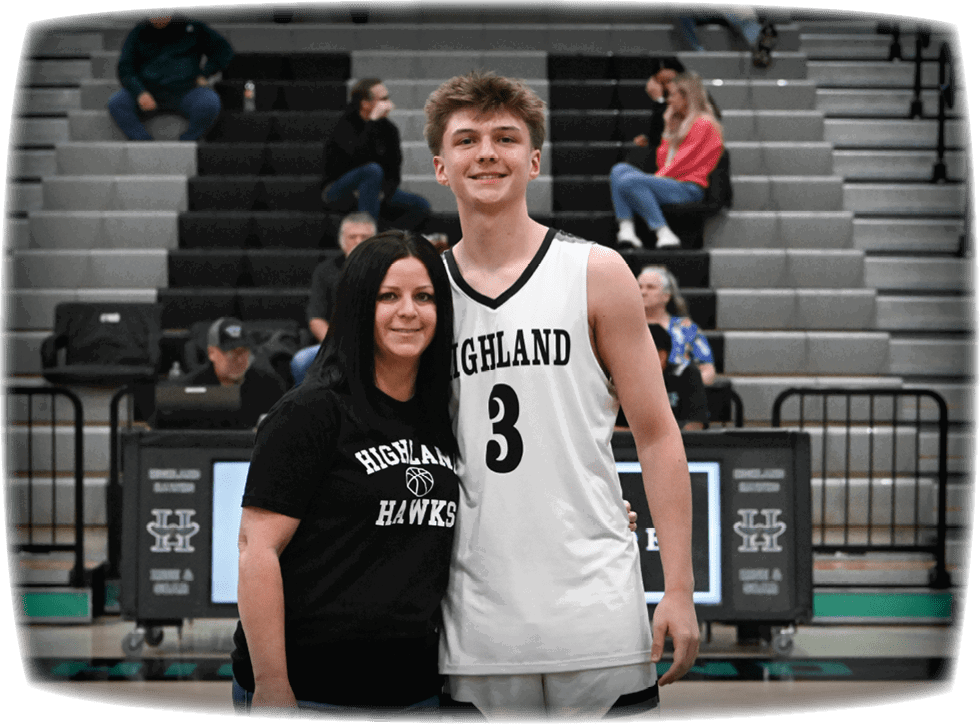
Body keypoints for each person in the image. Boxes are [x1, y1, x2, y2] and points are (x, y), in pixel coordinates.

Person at [425, 71, 699, 722]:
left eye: (506, 138)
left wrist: (680, 588)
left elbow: (658, 434)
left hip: (595, 605)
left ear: (535, 160)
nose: (487, 152)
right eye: (467, 140)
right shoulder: (422, 294)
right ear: (440, 165)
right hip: (472, 615)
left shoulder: (598, 272)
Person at [231, 231, 461, 719]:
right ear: (358, 305)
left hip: (415, 690)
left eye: (424, 296)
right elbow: (257, 550)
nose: (409, 311)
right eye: (388, 296)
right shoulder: (311, 411)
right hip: (312, 692)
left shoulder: (445, 416)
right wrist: (273, 685)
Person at [611, 72, 724, 250]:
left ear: (686, 97)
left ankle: (663, 232)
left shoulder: (704, 123)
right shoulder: (679, 122)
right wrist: (667, 130)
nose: (668, 100)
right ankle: (626, 229)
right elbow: (663, 161)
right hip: (672, 183)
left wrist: (653, 180)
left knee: (629, 181)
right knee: (619, 170)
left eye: (672, 95)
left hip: (689, 188)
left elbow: (682, 163)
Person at [321, 78, 431, 232]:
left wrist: (383, 192)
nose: (387, 103)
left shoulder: (389, 129)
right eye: (383, 99)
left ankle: (386, 236)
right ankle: (368, 237)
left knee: (421, 206)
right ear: (365, 103)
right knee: (372, 170)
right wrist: (371, 122)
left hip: (376, 191)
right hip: (340, 189)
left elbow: (394, 170)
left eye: (388, 98)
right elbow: (351, 158)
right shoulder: (344, 124)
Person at [107, 10, 233, 141]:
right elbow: (125, 68)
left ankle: (188, 141)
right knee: (117, 103)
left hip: (186, 91)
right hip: (148, 92)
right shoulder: (137, 32)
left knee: (210, 102)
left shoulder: (193, 27)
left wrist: (205, 73)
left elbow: (223, 50)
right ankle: (143, 143)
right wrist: (140, 92)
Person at [174, 317, 289, 429]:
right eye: (231, 352)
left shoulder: (271, 386)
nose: (239, 360)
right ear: (211, 353)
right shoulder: (189, 388)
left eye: (243, 352)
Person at [616, 324, 710, 432]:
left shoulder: (687, 375)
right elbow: (608, 429)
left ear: (661, 356)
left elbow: (695, 426)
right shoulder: (622, 380)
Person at [637, 266, 717, 386]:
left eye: (650, 287)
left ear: (666, 295)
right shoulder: (624, 327)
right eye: (639, 287)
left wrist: (685, 387)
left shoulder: (686, 328)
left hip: (678, 397)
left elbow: (708, 371)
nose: (643, 292)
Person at [672, 3, 778, 67]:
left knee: (740, 14)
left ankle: (760, 44)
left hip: (729, 8)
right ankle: (699, 53)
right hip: (701, 9)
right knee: (681, 9)